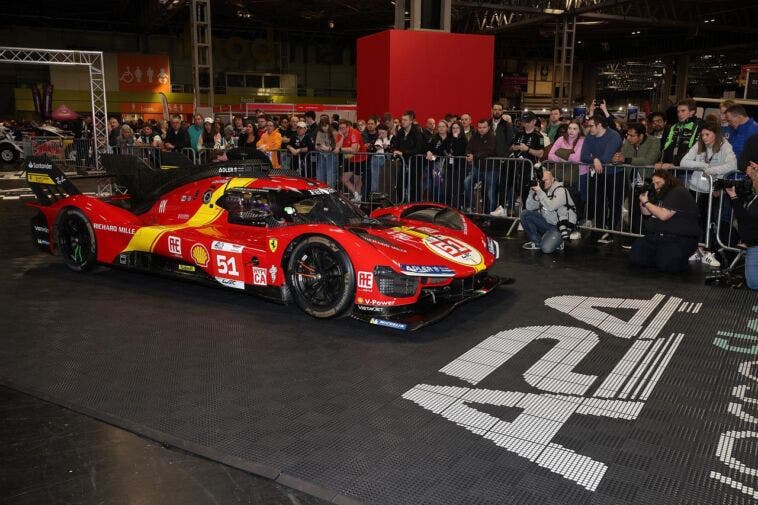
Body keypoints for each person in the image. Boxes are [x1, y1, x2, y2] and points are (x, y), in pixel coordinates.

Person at [680, 121, 737, 267]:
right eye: (702, 135)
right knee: (694, 221)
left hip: (712, 191)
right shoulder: (699, 145)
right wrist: (704, 165)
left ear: (715, 134)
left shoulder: (725, 145)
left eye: (707, 134)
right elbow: (683, 162)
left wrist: (712, 170)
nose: (704, 138)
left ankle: (708, 252)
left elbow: (732, 165)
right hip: (695, 189)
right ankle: (696, 250)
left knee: (710, 222)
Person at [629, 169, 701, 273]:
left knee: (667, 265)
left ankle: (682, 255)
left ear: (668, 181)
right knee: (636, 257)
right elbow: (646, 213)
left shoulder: (678, 191)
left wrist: (646, 202)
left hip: (680, 237)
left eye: (658, 183)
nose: (656, 186)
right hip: (658, 236)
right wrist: (642, 199)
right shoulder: (657, 194)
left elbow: (664, 215)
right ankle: (660, 256)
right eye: (654, 183)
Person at [580, 112, 624, 242]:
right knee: (598, 202)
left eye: (591, 126)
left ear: (599, 125)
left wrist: (596, 159)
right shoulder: (590, 136)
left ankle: (611, 230)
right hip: (598, 173)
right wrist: (595, 160)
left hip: (615, 174)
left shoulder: (614, 136)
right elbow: (583, 156)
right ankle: (599, 228)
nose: (589, 128)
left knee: (614, 202)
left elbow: (606, 157)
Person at [520, 166, 577, 253]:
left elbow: (551, 207)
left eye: (546, 180)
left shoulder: (560, 190)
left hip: (561, 226)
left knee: (546, 249)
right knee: (525, 214)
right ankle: (537, 243)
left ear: (553, 179)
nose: (544, 183)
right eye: (542, 181)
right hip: (548, 222)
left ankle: (558, 241)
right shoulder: (542, 190)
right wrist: (533, 191)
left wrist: (539, 191)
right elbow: (529, 207)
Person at [726, 160, 758, 289]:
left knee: (754, 283)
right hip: (752, 245)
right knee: (752, 282)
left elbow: (746, 218)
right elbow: (744, 216)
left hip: (755, 245)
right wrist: (733, 197)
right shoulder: (755, 197)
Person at [463, 119, 498, 212]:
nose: (481, 129)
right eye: (479, 127)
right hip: (477, 167)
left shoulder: (492, 137)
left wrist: (474, 156)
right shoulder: (475, 136)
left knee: (490, 193)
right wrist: (469, 154)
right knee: (467, 182)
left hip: (491, 169)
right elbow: (468, 148)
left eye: (484, 127)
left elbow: (488, 151)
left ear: (488, 127)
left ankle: (490, 217)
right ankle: (473, 208)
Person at [657, 98, 701, 169]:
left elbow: (693, 149)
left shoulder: (698, 126)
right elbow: (665, 146)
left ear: (692, 112)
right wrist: (661, 161)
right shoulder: (673, 127)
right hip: (669, 168)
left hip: (687, 169)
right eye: (678, 111)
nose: (680, 114)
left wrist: (675, 163)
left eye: (683, 111)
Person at [335, 119, 365, 203]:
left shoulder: (354, 133)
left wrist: (341, 149)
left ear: (348, 127)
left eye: (343, 128)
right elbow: (337, 147)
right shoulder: (340, 134)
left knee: (357, 181)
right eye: (340, 128)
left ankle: (358, 200)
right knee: (344, 179)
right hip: (349, 159)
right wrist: (342, 137)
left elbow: (354, 149)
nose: (342, 130)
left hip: (360, 159)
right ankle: (357, 195)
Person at [369, 123, 393, 194]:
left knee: (386, 179)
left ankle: (386, 196)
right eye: (379, 133)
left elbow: (393, 148)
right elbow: (371, 149)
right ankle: (375, 197)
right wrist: (375, 145)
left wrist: (387, 147)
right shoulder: (376, 138)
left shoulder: (391, 137)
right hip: (376, 158)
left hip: (386, 159)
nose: (381, 134)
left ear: (387, 131)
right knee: (375, 179)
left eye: (383, 132)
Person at [314, 118, 337, 187]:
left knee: (331, 178)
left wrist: (328, 148)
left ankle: (331, 194)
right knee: (320, 177)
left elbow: (337, 147)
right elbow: (316, 145)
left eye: (325, 126)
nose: (324, 128)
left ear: (328, 125)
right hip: (321, 155)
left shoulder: (334, 132)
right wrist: (318, 147)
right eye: (322, 126)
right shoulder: (319, 132)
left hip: (331, 156)